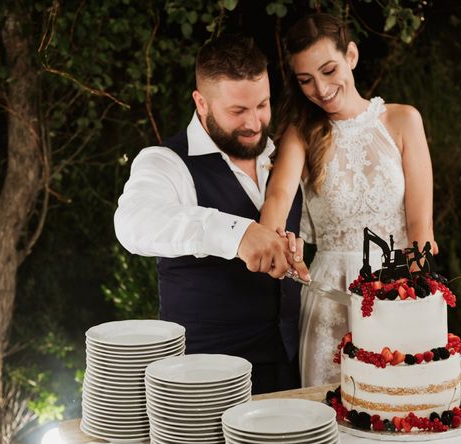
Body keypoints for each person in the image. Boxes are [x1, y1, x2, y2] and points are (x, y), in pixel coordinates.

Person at [114, 34, 309, 394]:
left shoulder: (283, 157)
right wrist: (236, 233)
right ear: (201, 103)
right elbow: (133, 223)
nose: (254, 122)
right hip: (204, 379)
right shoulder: (166, 161)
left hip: (289, 368)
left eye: (262, 105)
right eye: (237, 111)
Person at [260, 13, 438, 387]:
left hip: (399, 291)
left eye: (329, 70)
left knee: (405, 408)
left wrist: (416, 303)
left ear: (351, 56)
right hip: (330, 299)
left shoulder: (404, 121)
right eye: (306, 80)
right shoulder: (301, 134)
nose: (321, 89)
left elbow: (420, 228)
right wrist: (270, 239)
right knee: (335, 419)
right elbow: (277, 197)